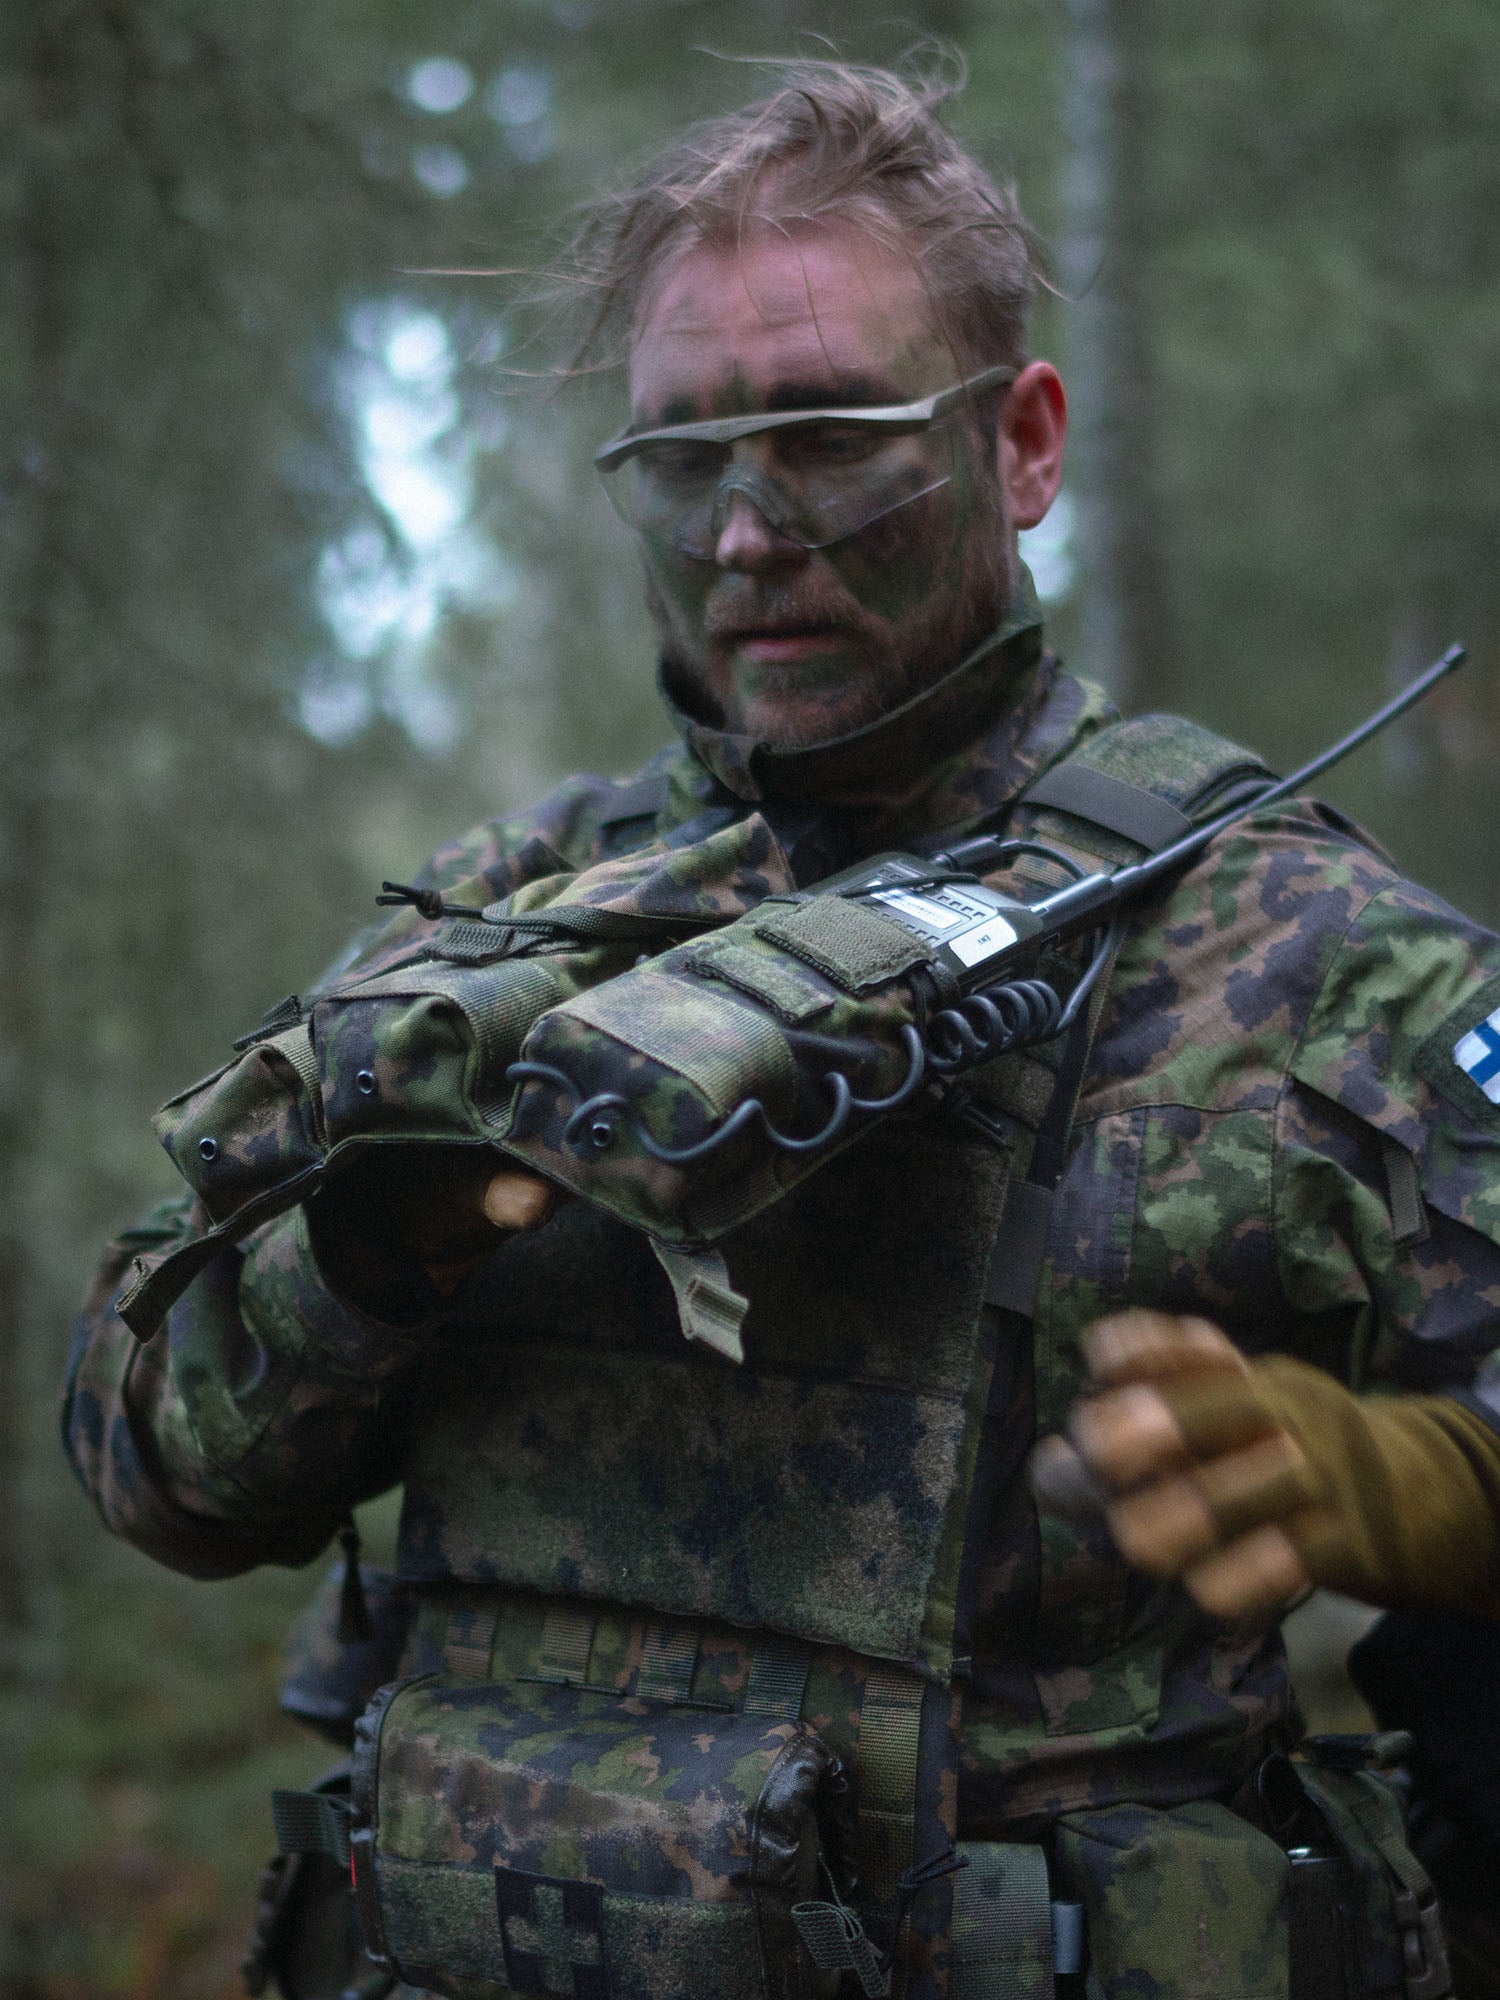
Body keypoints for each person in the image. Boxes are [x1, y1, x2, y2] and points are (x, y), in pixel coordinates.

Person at [63, 57, 1500, 2000]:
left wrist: (1430, 1482)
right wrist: (367, 1249)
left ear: (1026, 444)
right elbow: (149, 1465)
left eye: (832, 433)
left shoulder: (1298, 952)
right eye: (681, 455)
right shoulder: (502, 912)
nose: (747, 534)